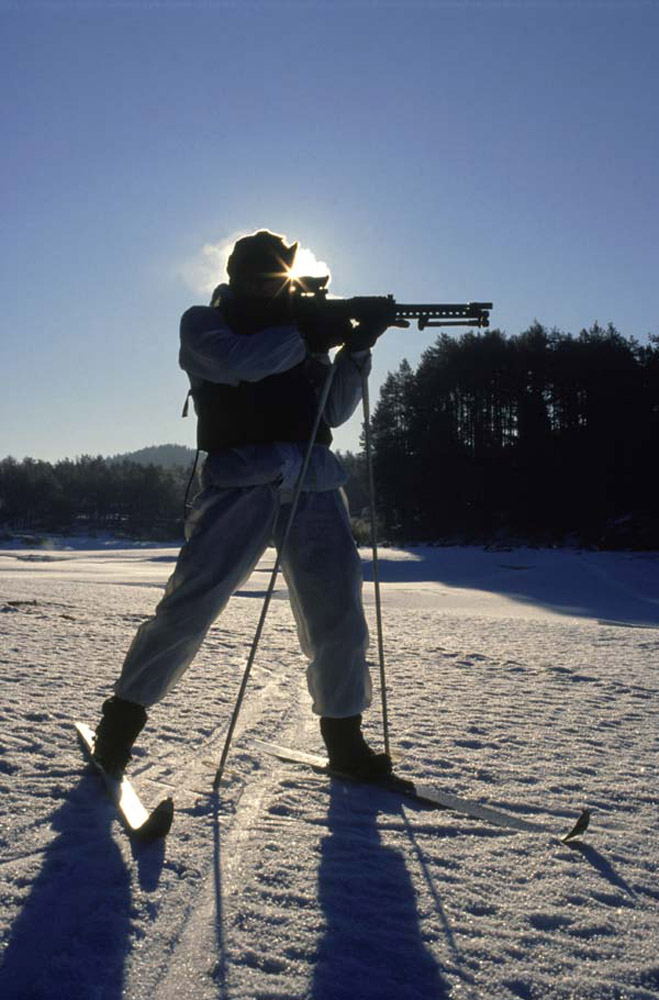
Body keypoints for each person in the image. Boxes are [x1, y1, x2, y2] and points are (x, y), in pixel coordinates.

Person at [93, 229, 393, 780]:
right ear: (233, 276)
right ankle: (120, 724)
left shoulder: (301, 330)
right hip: (240, 481)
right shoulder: (205, 324)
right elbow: (242, 363)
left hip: (314, 480)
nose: (262, 286)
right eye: (253, 276)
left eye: (270, 276)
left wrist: (356, 350)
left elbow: (334, 412)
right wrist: (307, 335)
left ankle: (345, 742)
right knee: (191, 606)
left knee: (339, 617)